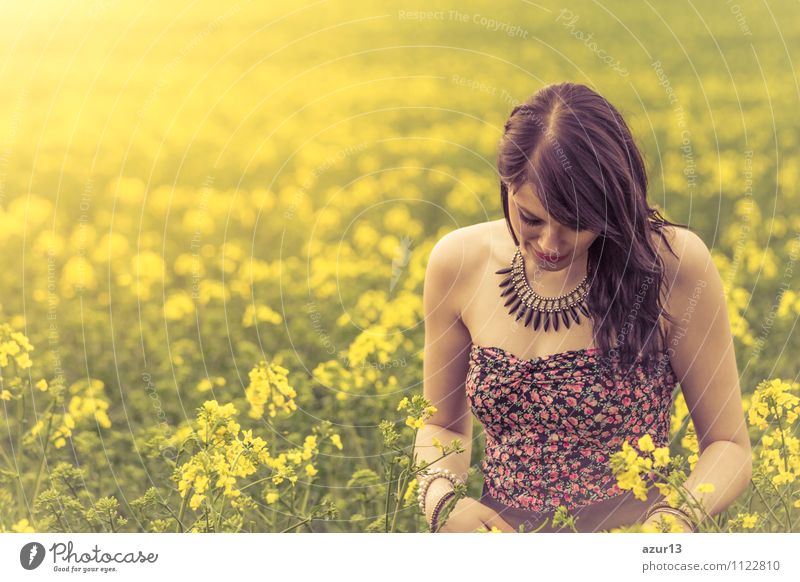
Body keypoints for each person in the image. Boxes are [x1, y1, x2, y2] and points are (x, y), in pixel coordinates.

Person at [414, 82, 752, 533]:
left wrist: (670, 526)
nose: (551, 244)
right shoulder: (457, 262)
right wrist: (444, 505)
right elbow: (442, 427)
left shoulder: (671, 265)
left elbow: (729, 445)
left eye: (578, 221)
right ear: (506, 184)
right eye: (531, 218)